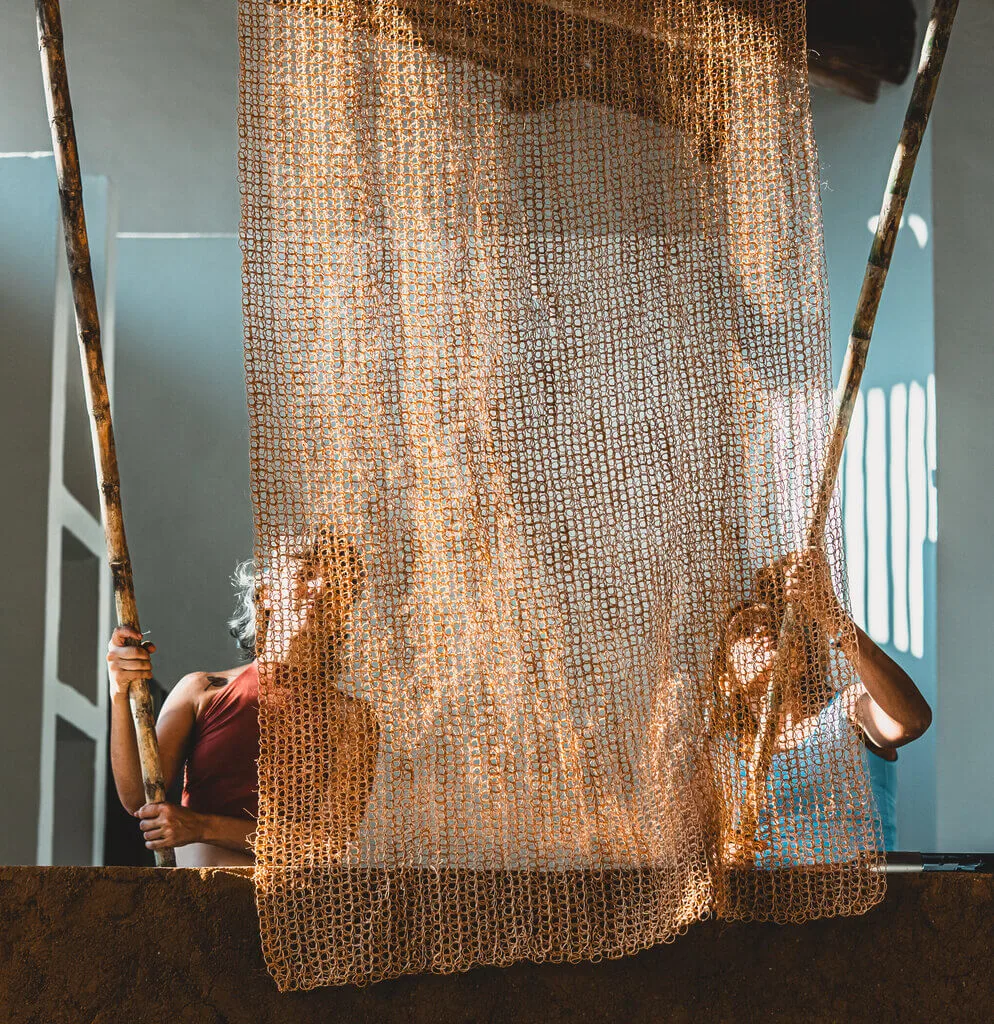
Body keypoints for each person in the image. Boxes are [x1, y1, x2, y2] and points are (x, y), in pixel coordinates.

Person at [108, 528, 379, 867]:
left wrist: (202, 826)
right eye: (307, 572)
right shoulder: (202, 690)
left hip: (289, 899)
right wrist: (119, 691)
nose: (322, 587)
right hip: (196, 894)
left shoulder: (353, 718)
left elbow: (328, 843)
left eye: (338, 584)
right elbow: (140, 798)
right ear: (265, 594)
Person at [708, 546, 932, 864]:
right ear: (725, 681)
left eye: (774, 626)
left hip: (860, 893)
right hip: (765, 897)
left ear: (800, 658)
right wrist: (723, 859)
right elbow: (700, 853)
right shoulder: (722, 755)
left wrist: (832, 615)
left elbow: (913, 720)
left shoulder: (847, 711)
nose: (762, 632)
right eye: (745, 631)